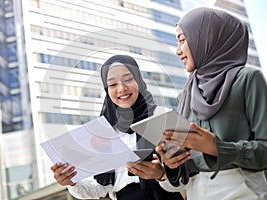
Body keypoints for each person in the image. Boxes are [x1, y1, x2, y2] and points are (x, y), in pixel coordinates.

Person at [154, 7, 267, 200]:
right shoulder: (187, 94)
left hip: (245, 192)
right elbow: (192, 165)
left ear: (206, 38)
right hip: (197, 193)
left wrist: (218, 148)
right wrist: (171, 163)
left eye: (182, 40)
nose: (177, 50)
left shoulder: (248, 79)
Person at [51, 55, 184, 200]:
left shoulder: (163, 117)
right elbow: (99, 189)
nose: (122, 88)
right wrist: (72, 181)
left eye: (128, 80)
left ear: (139, 80)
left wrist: (162, 174)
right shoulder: (104, 131)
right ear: (106, 89)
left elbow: (188, 177)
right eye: (113, 84)